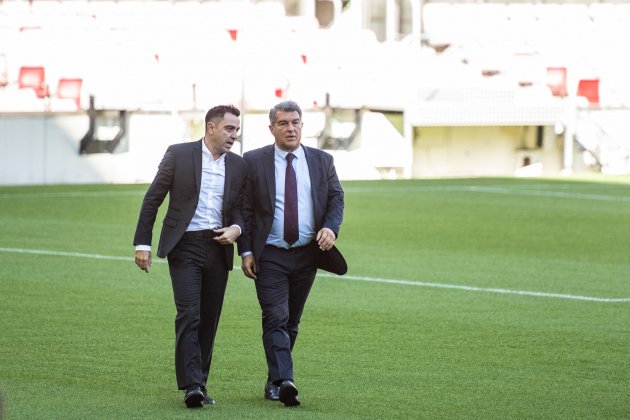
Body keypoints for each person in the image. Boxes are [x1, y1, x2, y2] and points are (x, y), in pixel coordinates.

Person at [133, 105, 247, 408]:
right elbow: (152, 199)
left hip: (220, 246)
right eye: (229, 129)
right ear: (211, 127)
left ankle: (200, 382)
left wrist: (237, 228)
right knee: (189, 314)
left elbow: (242, 209)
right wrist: (142, 243)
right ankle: (192, 385)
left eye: (237, 130)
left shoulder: (238, 165)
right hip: (184, 246)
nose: (235, 135)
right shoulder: (179, 154)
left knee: (209, 318)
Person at [239, 100, 346, 407]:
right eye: (283, 123)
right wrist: (246, 250)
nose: (291, 128)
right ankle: (286, 380)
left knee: (292, 321)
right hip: (269, 253)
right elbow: (245, 210)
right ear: (271, 128)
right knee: (276, 317)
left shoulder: (322, 160)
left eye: (295, 122)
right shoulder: (254, 160)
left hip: (307, 254)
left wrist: (330, 228)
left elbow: (336, 199)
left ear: (302, 125)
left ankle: (274, 379)